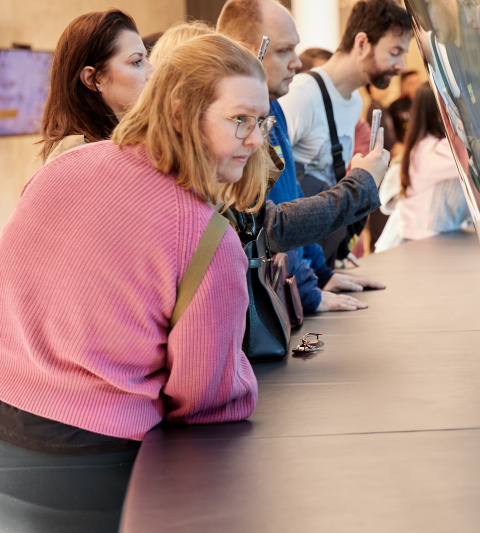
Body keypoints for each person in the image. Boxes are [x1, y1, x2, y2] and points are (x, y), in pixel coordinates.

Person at [0, 33, 388, 532]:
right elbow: (209, 399)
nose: (257, 139)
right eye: (240, 121)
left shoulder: (63, 168)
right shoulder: (207, 238)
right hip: (100, 467)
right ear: (181, 112)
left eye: (262, 121)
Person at [218, 0, 388, 312]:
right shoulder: (235, 130)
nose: (297, 63)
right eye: (284, 51)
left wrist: (319, 277)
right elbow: (271, 226)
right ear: (244, 51)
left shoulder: (277, 108)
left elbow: (291, 199)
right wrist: (361, 185)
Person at [278, 0, 412, 266]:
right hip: (294, 268)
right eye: (395, 51)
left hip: (317, 263)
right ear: (362, 43)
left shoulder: (353, 103)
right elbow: (270, 194)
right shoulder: (302, 96)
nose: (401, 65)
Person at [38, 9, 155, 163]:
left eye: (145, 58)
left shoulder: (114, 144)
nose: (153, 70)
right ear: (94, 79)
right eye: (136, 62)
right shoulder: (74, 157)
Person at [376, 83, 469, 252]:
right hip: (425, 238)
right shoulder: (433, 150)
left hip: (422, 235)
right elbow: (468, 158)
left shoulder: (422, 146)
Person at [388, 69, 421, 146]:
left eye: (417, 82)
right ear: (404, 86)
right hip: (405, 145)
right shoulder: (395, 106)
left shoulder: (427, 102)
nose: (416, 86)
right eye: (411, 84)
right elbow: (391, 130)